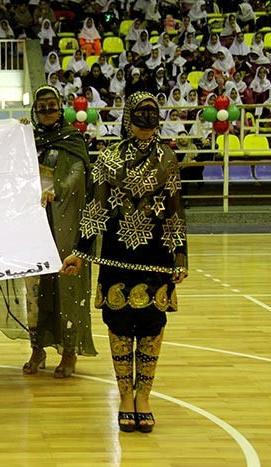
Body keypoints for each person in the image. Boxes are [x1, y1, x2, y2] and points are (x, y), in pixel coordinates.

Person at [61, 91, 188, 433]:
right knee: (119, 323)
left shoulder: (168, 158)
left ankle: (143, 396)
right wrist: (80, 251)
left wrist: (180, 255)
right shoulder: (109, 158)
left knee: (150, 324)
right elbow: (95, 209)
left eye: (152, 113)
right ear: (128, 117)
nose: (147, 121)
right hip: (117, 255)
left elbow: (175, 211)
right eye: (140, 114)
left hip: (157, 255)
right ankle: (124, 397)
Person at [0, 85, 97, 378]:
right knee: (33, 289)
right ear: (35, 111)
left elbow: (77, 174)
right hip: (32, 226)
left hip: (63, 225)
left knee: (66, 287)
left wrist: (56, 190)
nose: (47, 111)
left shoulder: (72, 139)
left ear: (61, 108)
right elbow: (6, 168)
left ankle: (69, 350)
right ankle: (37, 348)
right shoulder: (28, 140)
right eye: (42, 107)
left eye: (52, 105)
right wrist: (16, 136)